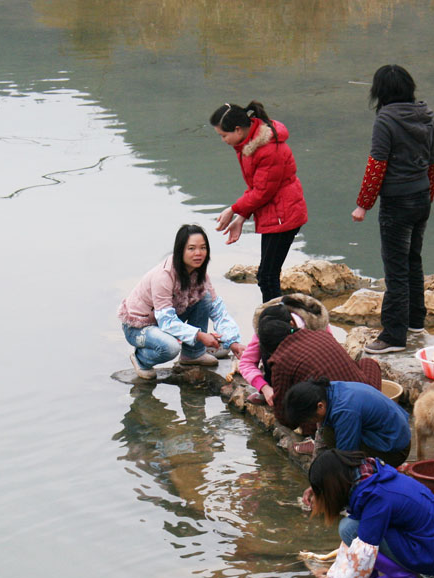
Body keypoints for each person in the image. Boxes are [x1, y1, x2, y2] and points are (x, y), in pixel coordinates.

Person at [305, 450, 434, 578]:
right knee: (351, 527)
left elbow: (363, 555)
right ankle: (383, 571)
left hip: (430, 556)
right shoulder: (371, 477)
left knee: (350, 529)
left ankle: (401, 574)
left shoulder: (376, 497)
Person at [351, 65, 434, 354]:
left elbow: (377, 165)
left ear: (381, 91)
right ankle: (415, 321)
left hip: (397, 202)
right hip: (421, 196)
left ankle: (393, 336)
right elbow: (432, 163)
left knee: (396, 268)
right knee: (413, 259)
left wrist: (363, 204)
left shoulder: (385, 119)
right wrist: (428, 197)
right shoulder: (426, 116)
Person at [210, 101, 308, 303]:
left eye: (223, 135)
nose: (223, 140)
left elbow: (263, 191)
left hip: (284, 216)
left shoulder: (267, 149)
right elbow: (257, 187)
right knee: (267, 275)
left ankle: (277, 327)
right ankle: (276, 324)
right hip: (276, 213)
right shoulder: (249, 144)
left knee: (267, 276)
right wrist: (241, 217)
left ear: (238, 129)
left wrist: (234, 210)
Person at [118, 224, 244, 379]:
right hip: (139, 326)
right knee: (170, 347)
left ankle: (192, 355)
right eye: (191, 248)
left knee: (205, 298)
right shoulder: (164, 275)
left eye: (203, 248)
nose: (198, 253)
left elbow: (218, 311)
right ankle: (141, 359)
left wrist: (233, 342)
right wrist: (199, 335)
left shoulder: (200, 274)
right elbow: (166, 320)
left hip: (164, 322)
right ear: (180, 251)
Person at [284, 378, 410, 467]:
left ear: (320, 406)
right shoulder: (326, 391)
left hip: (395, 450)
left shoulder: (344, 411)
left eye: (309, 420)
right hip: (393, 433)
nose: (311, 423)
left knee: (330, 436)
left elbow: (347, 458)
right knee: (327, 435)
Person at [238, 294, 331, 406]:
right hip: (277, 380)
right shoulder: (266, 327)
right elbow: (246, 363)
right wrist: (264, 387)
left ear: (291, 325)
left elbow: (328, 361)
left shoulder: (318, 326)